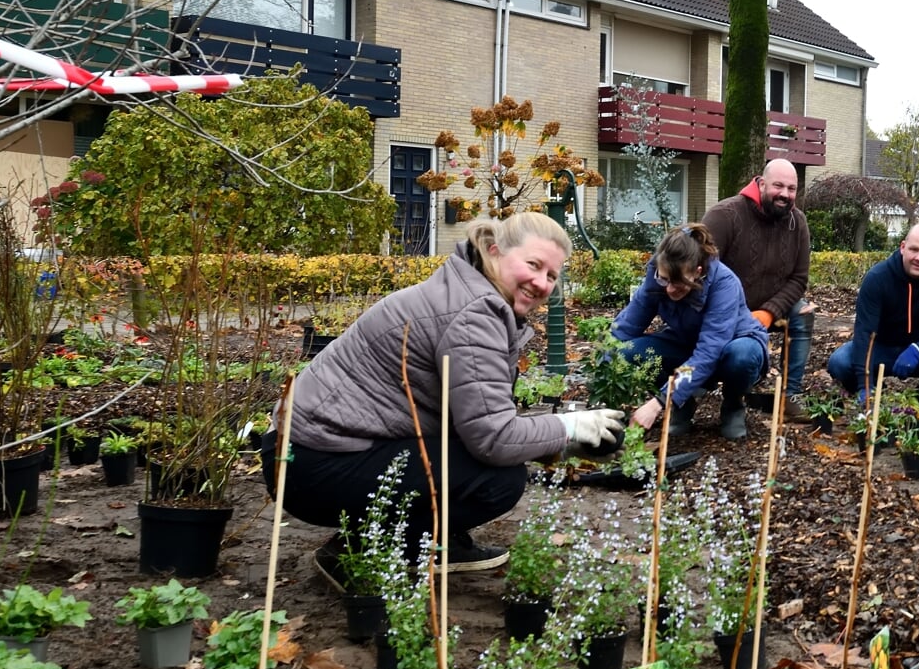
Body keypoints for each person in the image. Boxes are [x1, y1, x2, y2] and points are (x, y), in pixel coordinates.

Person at [278, 213, 624, 592]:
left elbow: (477, 416)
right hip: (311, 464)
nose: (541, 283)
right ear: (494, 252)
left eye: (552, 276)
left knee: (479, 460)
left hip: (307, 452)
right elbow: (493, 438)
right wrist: (568, 429)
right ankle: (362, 549)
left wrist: (560, 443)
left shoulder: (467, 291)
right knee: (499, 481)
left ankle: (423, 540)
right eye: (533, 265)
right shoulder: (475, 312)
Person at [613, 224, 769, 440]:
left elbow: (708, 352)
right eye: (664, 279)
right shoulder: (657, 273)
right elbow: (627, 326)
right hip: (685, 343)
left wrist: (660, 401)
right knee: (629, 352)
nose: (668, 289)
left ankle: (733, 404)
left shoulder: (724, 283)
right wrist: (604, 367)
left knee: (742, 356)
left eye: (678, 283)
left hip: (730, 346)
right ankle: (683, 403)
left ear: (698, 272)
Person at [701, 158, 813, 422]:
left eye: (792, 188)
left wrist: (768, 312)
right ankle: (701, 389)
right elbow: (702, 272)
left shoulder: (798, 223)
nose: (785, 194)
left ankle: (790, 394)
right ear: (761, 183)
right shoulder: (724, 215)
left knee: (803, 313)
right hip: (725, 306)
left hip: (772, 305)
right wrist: (735, 312)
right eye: (778, 186)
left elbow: (799, 279)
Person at [826, 223, 919, 405]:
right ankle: (875, 394)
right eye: (914, 249)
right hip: (882, 349)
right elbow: (864, 333)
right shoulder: (878, 277)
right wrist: (864, 385)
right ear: (902, 247)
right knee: (840, 361)